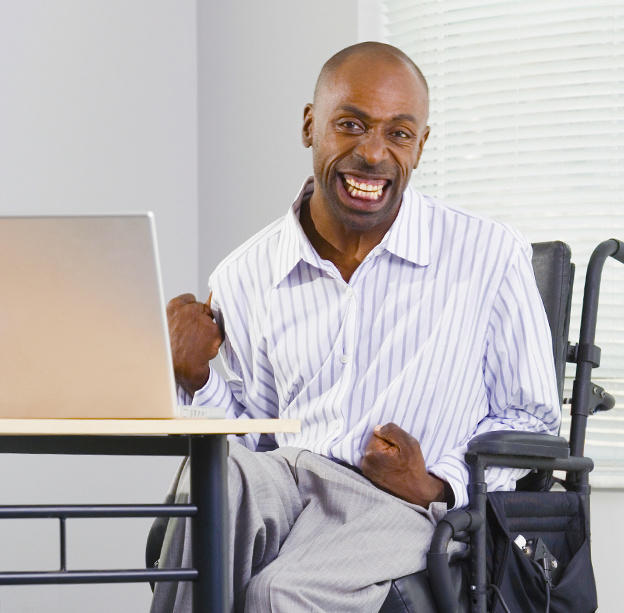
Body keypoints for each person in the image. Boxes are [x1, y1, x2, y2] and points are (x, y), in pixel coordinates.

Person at [152, 42, 560, 613]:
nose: (372, 153)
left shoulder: (488, 255)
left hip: (399, 506)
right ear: (309, 125)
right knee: (216, 486)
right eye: (351, 125)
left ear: (420, 145)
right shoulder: (245, 273)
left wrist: (437, 484)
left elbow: (532, 423)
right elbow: (248, 434)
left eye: (398, 133)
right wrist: (193, 380)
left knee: (280, 593)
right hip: (287, 476)